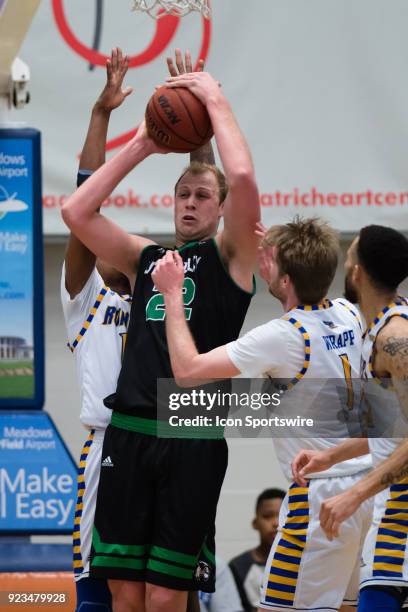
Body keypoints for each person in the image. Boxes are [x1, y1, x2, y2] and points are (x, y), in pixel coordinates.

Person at [61, 58, 260, 612]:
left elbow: (240, 178)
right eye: (183, 195)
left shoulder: (231, 261)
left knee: (166, 598)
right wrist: (144, 143)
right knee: (125, 599)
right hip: (126, 430)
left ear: (222, 211)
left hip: (188, 430)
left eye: (202, 197)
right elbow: (77, 211)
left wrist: (213, 101)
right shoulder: (147, 257)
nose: (191, 203)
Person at [152, 217, 373, 612]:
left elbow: (186, 372)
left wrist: (172, 294)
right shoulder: (349, 312)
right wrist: (287, 246)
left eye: (270, 261)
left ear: (286, 280)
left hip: (319, 498)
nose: (263, 263)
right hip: (365, 490)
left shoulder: (283, 335)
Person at [291, 225, 408, 612]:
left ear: (357, 272)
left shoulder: (396, 339)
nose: (346, 263)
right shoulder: (377, 331)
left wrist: (354, 494)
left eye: (350, 255)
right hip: (389, 507)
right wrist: (332, 456)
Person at [61, 47, 132, 612]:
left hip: (166, 439)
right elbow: (84, 211)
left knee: (167, 589)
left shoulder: (171, 299)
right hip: (108, 442)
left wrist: (200, 134)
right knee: (95, 587)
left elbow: (211, 225)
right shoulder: (88, 304)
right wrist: (102, 117)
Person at [229, 489, 285, 612]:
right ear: (255, 523)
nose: (275, 523)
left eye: (282, 516)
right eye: (267, 516)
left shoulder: (303, 563)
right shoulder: (237, 566)